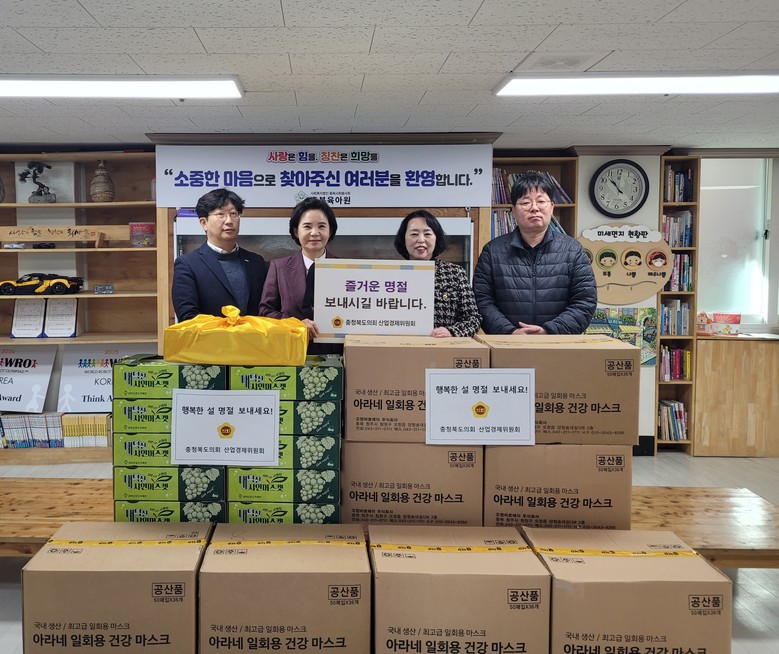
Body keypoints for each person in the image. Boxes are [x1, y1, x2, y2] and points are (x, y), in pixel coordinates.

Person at [473, 171, 596, 334]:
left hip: (558, 343)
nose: (534, 208)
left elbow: (585, 302)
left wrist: (549, 331)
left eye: (541, 201)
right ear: (513, 210)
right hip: (507, 343)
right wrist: (510, 332)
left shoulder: (573, 250)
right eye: (525, 202)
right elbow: (482, 301)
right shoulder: (493, 251)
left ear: (552, 207)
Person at [171, 188, 267, 322]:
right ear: (204, 223)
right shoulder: (188, 264)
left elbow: (267, 309)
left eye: (234, 214)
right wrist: (231, 330)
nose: (229, 221)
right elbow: (188, 317)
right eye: (221, 214)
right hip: (210, 336)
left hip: (255, 335)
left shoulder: (256, 261)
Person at [259, 197, 338, 344]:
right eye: (307, 226)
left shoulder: (345, 268)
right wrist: (295, 325)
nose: (314, 233)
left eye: (321, 226)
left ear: (330, 230)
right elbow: (266, 312)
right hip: (291, 349)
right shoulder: (279, 267)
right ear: (296, 231)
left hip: (336, 352)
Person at [394, 209, 481, 338]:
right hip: (400, 345)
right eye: (414, 234)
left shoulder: (455, 273)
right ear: (403, 239)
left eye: (427, 234)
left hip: (443, 346)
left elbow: (473, 319)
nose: (421, 240)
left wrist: (452, 331)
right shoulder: (392, 273)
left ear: (436, 238)